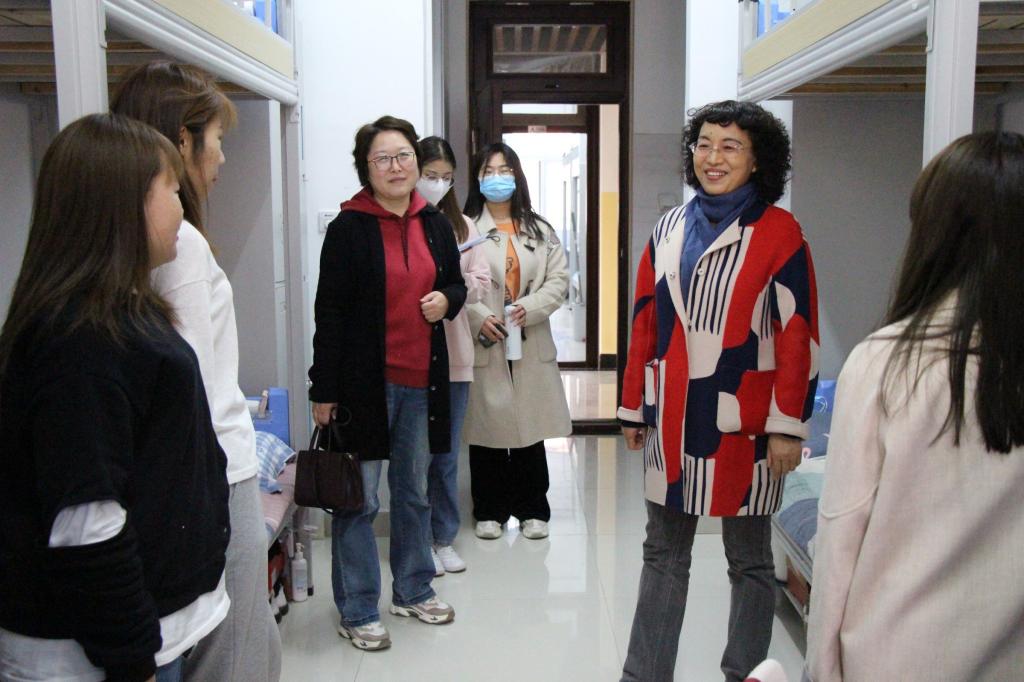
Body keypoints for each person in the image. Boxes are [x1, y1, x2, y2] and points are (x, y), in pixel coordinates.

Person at [0, 113, 230, 682]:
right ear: (123, 206)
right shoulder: (80, 341)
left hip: (150, 631)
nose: (181, 209)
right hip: (99, 657)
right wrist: (131, 661)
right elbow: (87, 524)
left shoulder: (123, 313)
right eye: (171, 191)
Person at [806, 132, 1024, 681]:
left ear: (933, 232)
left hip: (895, 653)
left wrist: (821, 669)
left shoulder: (888, 364)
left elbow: (841, 536)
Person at [617, 99, 819, 682]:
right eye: (704, 144)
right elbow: (645, 319)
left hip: (746, 423)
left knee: (749, 559)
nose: (713, 157)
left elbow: (797, 333)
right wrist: (633, 407)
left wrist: (787, 425)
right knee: (663, 552)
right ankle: (644, 675)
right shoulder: (668, 227)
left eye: (730, 146)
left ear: (757, 160)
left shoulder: (780, 233)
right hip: (673, 414)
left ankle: (745, 674)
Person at [111, 61, 281, 682]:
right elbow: (187, 388)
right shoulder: (177, 242)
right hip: (216, 473)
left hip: (202, 474)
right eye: (217, 139)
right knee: (237, 658)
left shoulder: (136, 233)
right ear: (182, 140)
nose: (223, 158)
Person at [308, 115, 467, 651]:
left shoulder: (435, 224)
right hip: (362, 389)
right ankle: (357, 609)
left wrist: (447, 300)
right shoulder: (348, 228)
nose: (396, 167)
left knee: (414, 493)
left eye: (404, 156)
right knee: (359, 500)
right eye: (383, 159)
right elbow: (329, 313)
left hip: (423, 384)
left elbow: (455, 284)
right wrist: (323, 390)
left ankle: (413, 589)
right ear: (366, 168)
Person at [462, 142, 572, 541]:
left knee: (529, 427)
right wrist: (479, 316)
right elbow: (452, 281)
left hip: (529, 338)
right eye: (488, 171)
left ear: (517, 176)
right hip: (486, 340)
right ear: (477, 179)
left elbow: (558, 280)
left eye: (504, 170)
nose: (497, 178)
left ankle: (532, 509)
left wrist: (530, 306)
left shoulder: (540, 230)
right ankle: (489, 510)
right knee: (487, 428)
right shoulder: (464, 228)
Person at [417, 136, 490, 576]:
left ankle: (442, 538)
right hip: (411, 359)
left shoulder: (462, 226)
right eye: (431, 175)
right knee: (414, 460)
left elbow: (482, 280)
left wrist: (452, 289)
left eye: (446, 177)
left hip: (455, 356)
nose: (438, 184)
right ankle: (416, 541)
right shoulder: (403, 224)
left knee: (444, 457)